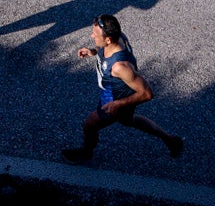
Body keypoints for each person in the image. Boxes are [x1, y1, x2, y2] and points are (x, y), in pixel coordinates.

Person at [61, 13, 183, 163]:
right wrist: (92, 52)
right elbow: (103, 50)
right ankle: (170, 139)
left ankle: (86, 152)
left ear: (108, 39)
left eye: (95, 34)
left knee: (90, 125)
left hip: (116, 96)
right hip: (116, 89)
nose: (92, 35)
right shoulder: (117, 37)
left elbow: (147, 93)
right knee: (127, 120)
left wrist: (118, 104)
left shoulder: (120, 67)